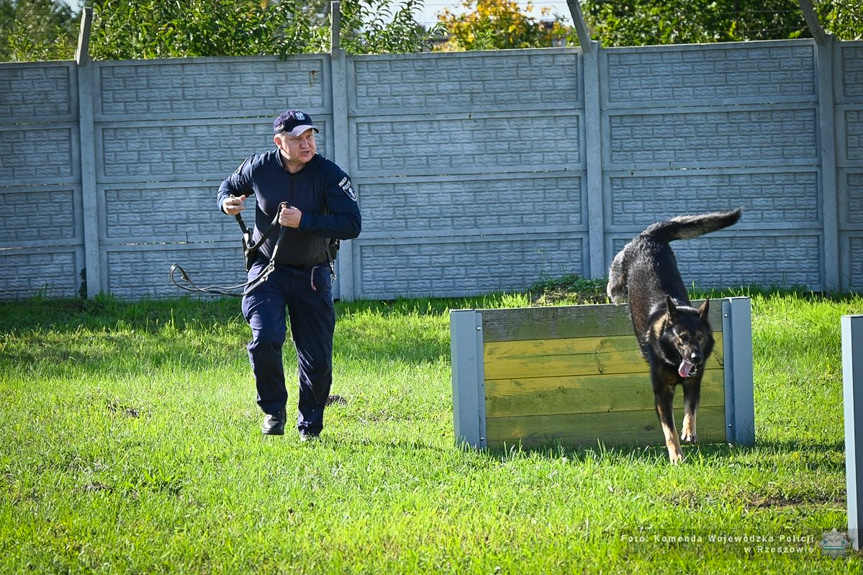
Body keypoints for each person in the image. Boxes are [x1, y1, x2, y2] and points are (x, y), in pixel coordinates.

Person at [217, 109, 361, 440]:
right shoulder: (259, 166)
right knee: (265, 337)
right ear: (279, 142)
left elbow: (352, 223)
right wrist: (227, 201)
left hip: (313, 274)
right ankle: (273, 411)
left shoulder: (329, 174)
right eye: (298, 139)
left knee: (318, 359)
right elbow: (228, 185)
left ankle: (310, 427)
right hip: (267, 270)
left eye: (310, 137)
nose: (306, 144)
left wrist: (305, 222)